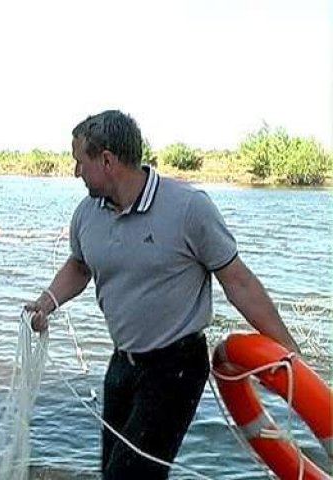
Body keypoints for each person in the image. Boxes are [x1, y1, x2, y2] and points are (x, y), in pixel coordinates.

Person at [25, 110, 300, 479]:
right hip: (122, 365)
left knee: (132, 476)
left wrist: (290, 355)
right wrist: (46, 303)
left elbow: (239, 283)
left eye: (79, 161)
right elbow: (79, 265)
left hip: (176, 368)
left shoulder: (189, 208)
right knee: (113, 473)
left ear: (107, 160)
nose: (75, 172)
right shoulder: (87, 214)